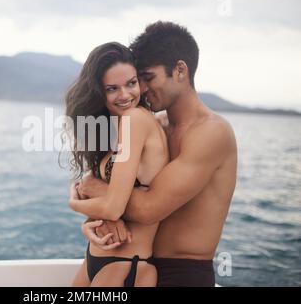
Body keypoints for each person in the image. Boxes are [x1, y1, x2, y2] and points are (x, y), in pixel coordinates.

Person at [75, 21, 238, 287]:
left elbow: (148, 209)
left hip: (182, 273)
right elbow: (115, 183)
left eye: (148, 78)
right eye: (139, 79)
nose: (143, 88)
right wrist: (91, 212)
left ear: (180, 70)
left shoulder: (212, 133)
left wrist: (92, 186)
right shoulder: (155, 125)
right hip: (138, 263)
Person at [65, 42, 169, 286]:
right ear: (99, 92)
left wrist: (74, 203)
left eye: (131, 83)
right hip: (95, 259)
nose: (125, 95)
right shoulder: (118, 128)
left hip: (125, 267)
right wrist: (87, 225)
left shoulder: (136, 119)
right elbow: (110, 203)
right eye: (112, 88)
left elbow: (113, 208)